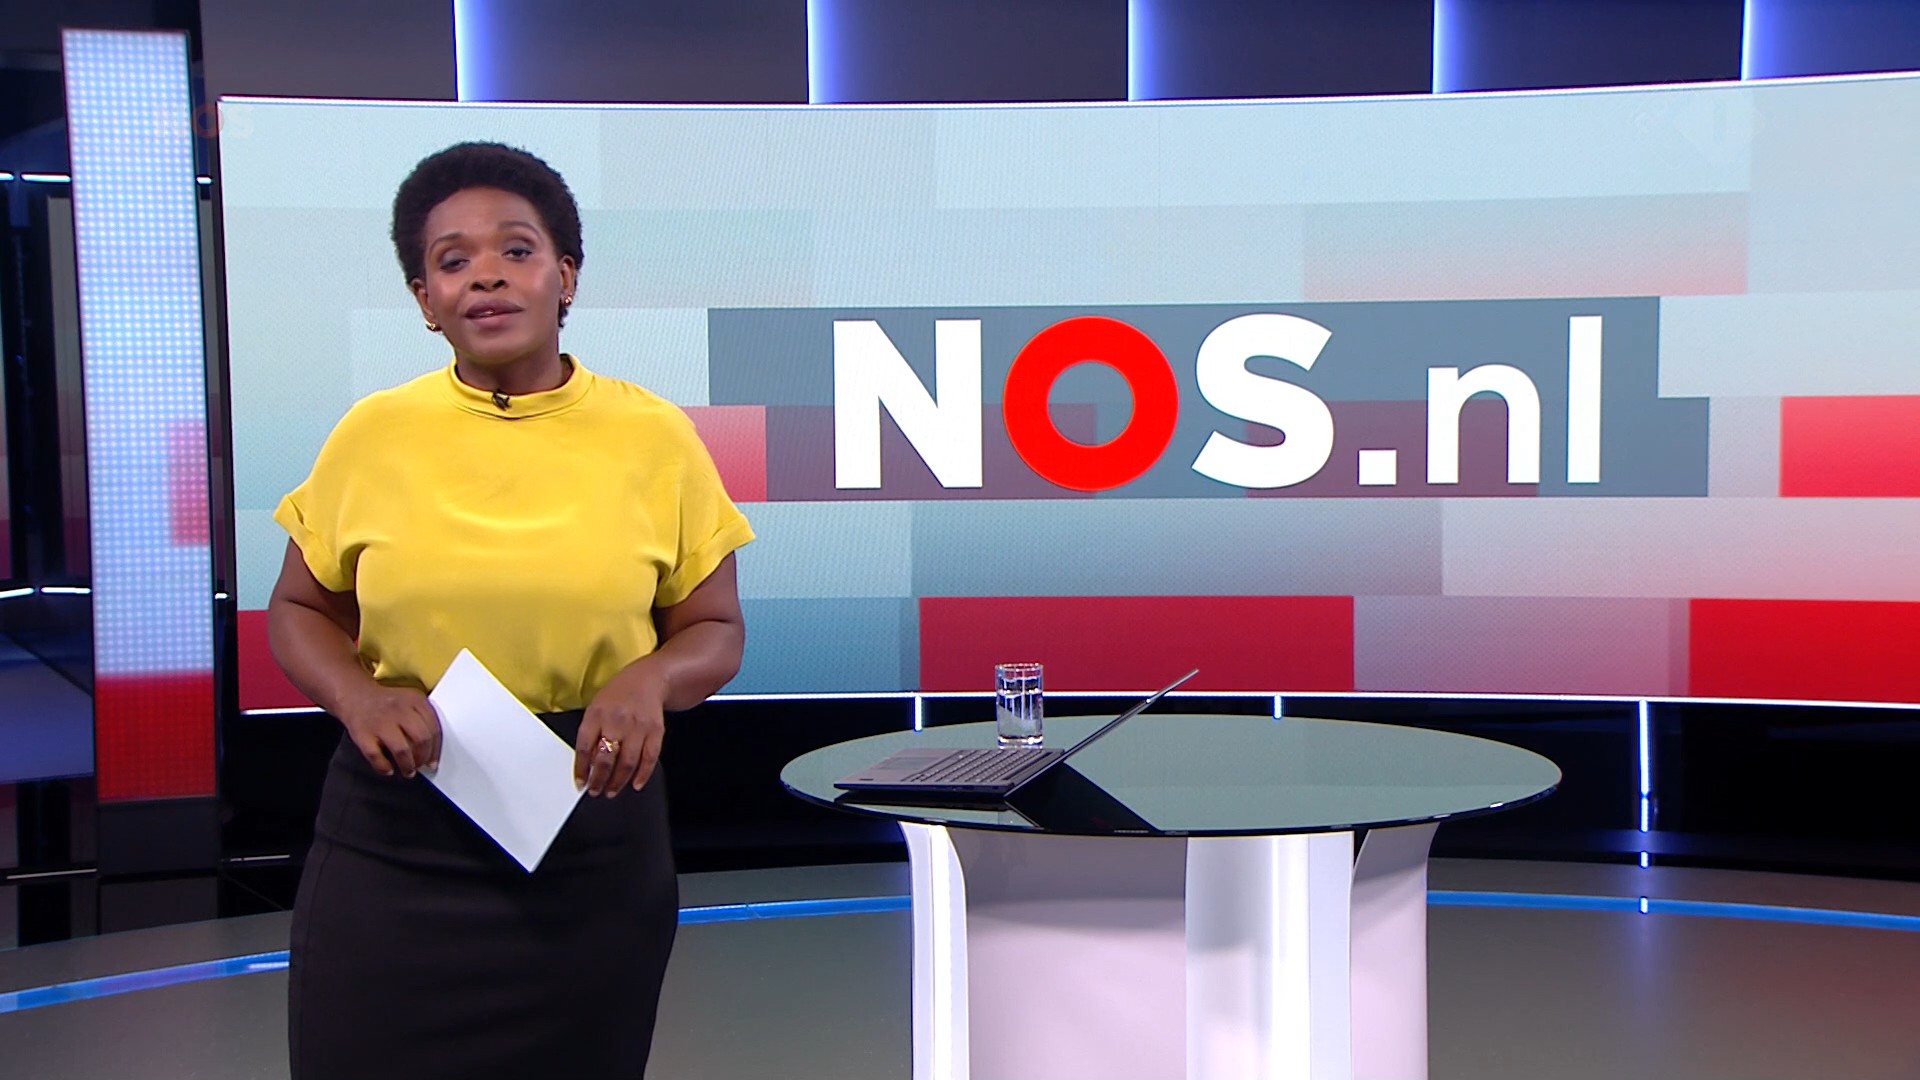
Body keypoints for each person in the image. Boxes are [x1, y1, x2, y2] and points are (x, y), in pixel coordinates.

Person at [267, 141, 754, 1079]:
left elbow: (715, 628)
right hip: (397, 828)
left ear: (565, 277)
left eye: (516, 251)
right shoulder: (372, 435)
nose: (485, 275)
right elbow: (297, 608)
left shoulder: (654, 437)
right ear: (425, 300)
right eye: (452, 261)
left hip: (589, 823)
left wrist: (649, 681)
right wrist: (359, 698)